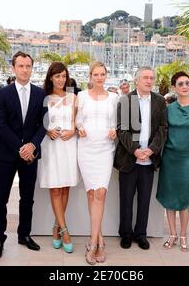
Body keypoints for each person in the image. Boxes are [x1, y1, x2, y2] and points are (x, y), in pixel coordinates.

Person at [0, 51, 47, 260]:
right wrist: (21, 147)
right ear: (13, 68)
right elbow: (0, 124)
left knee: (27, 198)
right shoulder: (3, 93)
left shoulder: (40, 94)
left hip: (30, 155)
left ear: (32, 68)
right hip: (7, 154)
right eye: (21, 66)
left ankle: (24, 235)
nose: (25, 70)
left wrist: (31, 145)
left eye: (28, 66)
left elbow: (44, 123)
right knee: (0, 199)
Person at [114, 67, 168, 250]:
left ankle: (141, 234)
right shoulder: (126, 100)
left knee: (145, 200)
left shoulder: (160, 102)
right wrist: (136, 150)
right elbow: (121, 129)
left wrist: (151, 150)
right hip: (129, 159)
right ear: (137, 80)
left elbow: (163, 128)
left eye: (152, 78)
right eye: (145, 77)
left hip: (149, 160)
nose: (149, 81)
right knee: (126, 200)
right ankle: (126, 234)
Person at [156, 72, 189, 252]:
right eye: (180, 84)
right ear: (174, 88)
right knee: (170, 199)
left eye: (187, 83)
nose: (185, 86)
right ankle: (172, 234)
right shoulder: (169, 109)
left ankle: (184, 235)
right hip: (169, 159)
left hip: (187, 159)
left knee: (184, 199)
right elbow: (163, 132)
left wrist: (188, 151)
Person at [76, 61, 118, 265]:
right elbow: (76, 119)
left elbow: (121, 122)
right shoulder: (81, 96)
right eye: (96, 74)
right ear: (90, 76)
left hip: (104, 150)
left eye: (102, 74)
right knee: (92, 193)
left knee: (100, 193)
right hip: (85, 148)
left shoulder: (115, 97)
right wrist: (79, 127)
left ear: (106, 76)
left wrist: (115, 129)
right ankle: (99, 239)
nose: (99, 78)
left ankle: (93, 244)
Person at [38, 62, 78, 253]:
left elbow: (78, 121)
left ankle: (56, 226)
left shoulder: (73, 97)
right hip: (51, 147)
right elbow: (37, 123)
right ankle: (65, 230)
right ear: (51, 78)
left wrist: (74, 131)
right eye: (57, 76)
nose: (61, 80)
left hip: (69, 145)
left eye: (63, 76)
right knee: (55, 189)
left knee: (65, 187)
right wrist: (47, 131)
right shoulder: (43, 98)